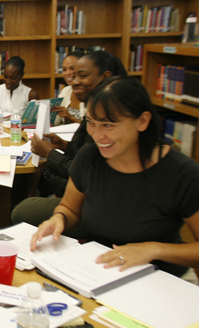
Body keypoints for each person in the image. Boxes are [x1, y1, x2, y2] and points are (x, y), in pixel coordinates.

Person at [30, 76, 199, 283]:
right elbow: (70, 208)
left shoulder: (182, 173)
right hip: (98, 272)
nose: (97, 135)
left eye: (108, 125)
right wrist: (58, 219)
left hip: (162, 278)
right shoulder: (89, 157)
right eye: (91, 123)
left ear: (142, 121)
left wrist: (154, 249)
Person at [12, 51, 127, 227]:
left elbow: (86, 172)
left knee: (23, 209)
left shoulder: (111, 114)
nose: (74, 81)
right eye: (73, 75)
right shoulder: (95, 108)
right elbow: (86, 156)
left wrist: (50, 153)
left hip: (99, 201)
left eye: (82, 75)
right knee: (43, 187)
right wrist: (64, 145)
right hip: (87, 192)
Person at [53, 52, 85, 126]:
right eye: (64, 69)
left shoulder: (94, 94)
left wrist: (71, 118)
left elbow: (91, 130)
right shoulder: (66, 90)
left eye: (72, 68)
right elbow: (55, 122)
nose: (67, 73)